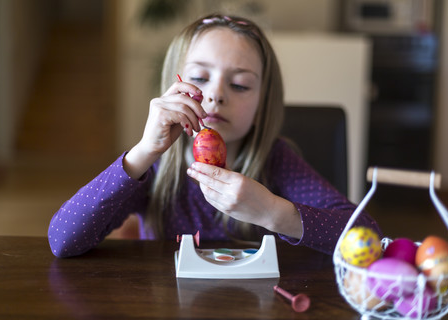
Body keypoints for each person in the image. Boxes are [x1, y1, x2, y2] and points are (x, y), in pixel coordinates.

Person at [48, 13, 381, 258]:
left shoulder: (276, 160)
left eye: (239, 84)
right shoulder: (156, 164)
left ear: (263, 103)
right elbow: (62, 240)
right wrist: (144, 151)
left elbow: (368, 237)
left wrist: (272, 212)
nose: (217, 95)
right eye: (199, 77)